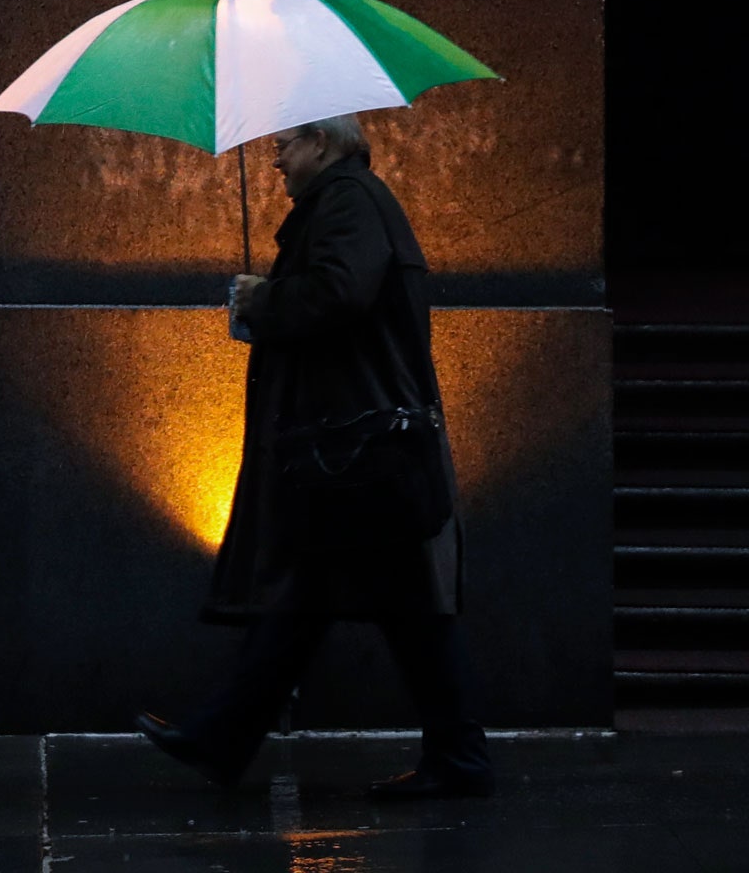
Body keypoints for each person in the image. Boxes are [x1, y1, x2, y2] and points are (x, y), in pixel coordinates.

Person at [136, 113, 492, 800]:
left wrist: (264, 298)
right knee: (361, 605)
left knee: (352, 605)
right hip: (355, 449)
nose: (273, 161)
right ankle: (227, 737)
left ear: (322, 143)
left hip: (357, 449)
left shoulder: (350, 201)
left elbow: (341, 292)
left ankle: (224, 737)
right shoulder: (347, 202)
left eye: (283, 144)